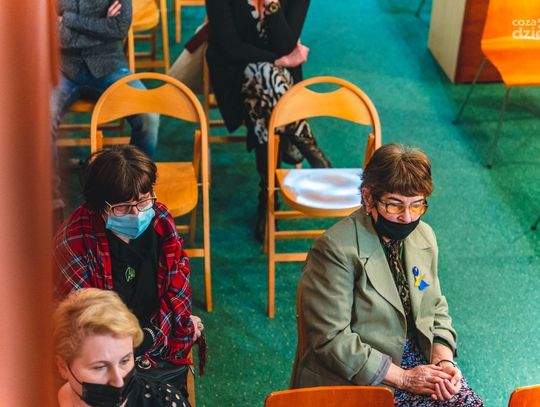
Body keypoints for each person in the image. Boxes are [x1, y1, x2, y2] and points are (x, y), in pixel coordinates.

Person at [291, 144, 483, 405]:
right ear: (368, 197)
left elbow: (436, 307)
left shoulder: (424, 235)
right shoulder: (335, 249)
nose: (407, 218)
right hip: (360, 373)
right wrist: (404, 378)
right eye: (394, 206)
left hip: (414, 358)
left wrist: (443, 362)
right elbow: (332, 340)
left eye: (417, 205)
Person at [55, 145, 204, 392]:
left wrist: (159, 333)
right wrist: (150, 338)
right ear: (99, 205)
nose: (136, 213)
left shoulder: (161, 222)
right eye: (123, 207)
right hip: (103, 361)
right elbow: (90, 329)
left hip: (154, 344)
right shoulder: (73, 242)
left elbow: (178, 293)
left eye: (143, 200)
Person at [205, 0, 331, 242]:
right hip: (234, 74)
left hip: (274, 88)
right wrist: (278, 61)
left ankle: (268, 194)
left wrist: (272, 6)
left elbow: (286, 44)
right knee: (265, 77)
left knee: (266, 99)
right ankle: (308, 148)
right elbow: (231, 48)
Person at [52, 0, 160, 215]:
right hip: (63, 66)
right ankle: (52, 196)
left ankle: (133, 188)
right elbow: (50, 33)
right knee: (39, 120)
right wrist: (101, 27)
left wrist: (68, 20)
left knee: (149, 116)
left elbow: (119, 28)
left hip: (109, 64)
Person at [54, 288, 191, 407]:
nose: (119, 382)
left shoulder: (164, 401)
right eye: (99, 367)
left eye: (124, 361)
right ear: (63, 367)